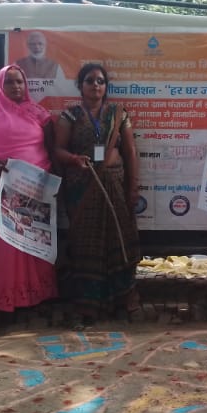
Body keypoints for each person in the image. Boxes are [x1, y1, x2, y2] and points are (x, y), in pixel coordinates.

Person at [52, 63, 141, 325]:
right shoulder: (70, 116)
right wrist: (73, 159)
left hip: (114, 186)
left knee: (120, 240)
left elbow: (130, 152)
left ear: (106, 86)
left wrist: (133, 187)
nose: (95, 85)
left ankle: (125, 299)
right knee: (86, 245)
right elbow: (57, 150)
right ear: (80, 86)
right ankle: (88, 305)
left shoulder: (118, 114)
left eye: (100, 81)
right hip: (83, 188)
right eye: (89, 81)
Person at [0, 65, 58, 318]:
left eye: (20, 81)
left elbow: (50, 149)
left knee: (34, 241)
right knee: (4, 245)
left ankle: (36, 295)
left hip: (34, 188)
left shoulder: (39, 114)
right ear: (0, 86)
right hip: (0, 189)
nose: (16, 86)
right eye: (10, 82)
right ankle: (3, 298)